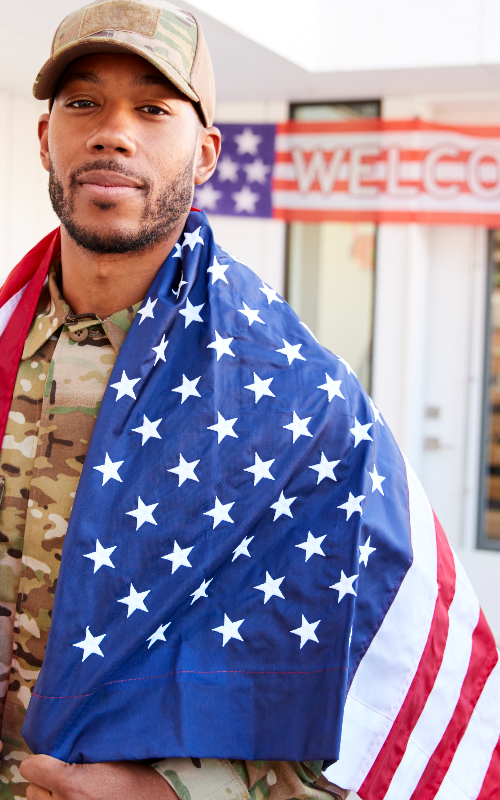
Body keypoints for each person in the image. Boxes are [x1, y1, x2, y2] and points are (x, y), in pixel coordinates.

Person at [0, 3, 499, 800]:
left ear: (204, 154)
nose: (113, 133)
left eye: (153, 109)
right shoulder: (8, 338)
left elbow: (371, 673)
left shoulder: (300, 397)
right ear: (43, 137)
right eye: (83, 102)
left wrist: (171, 792)